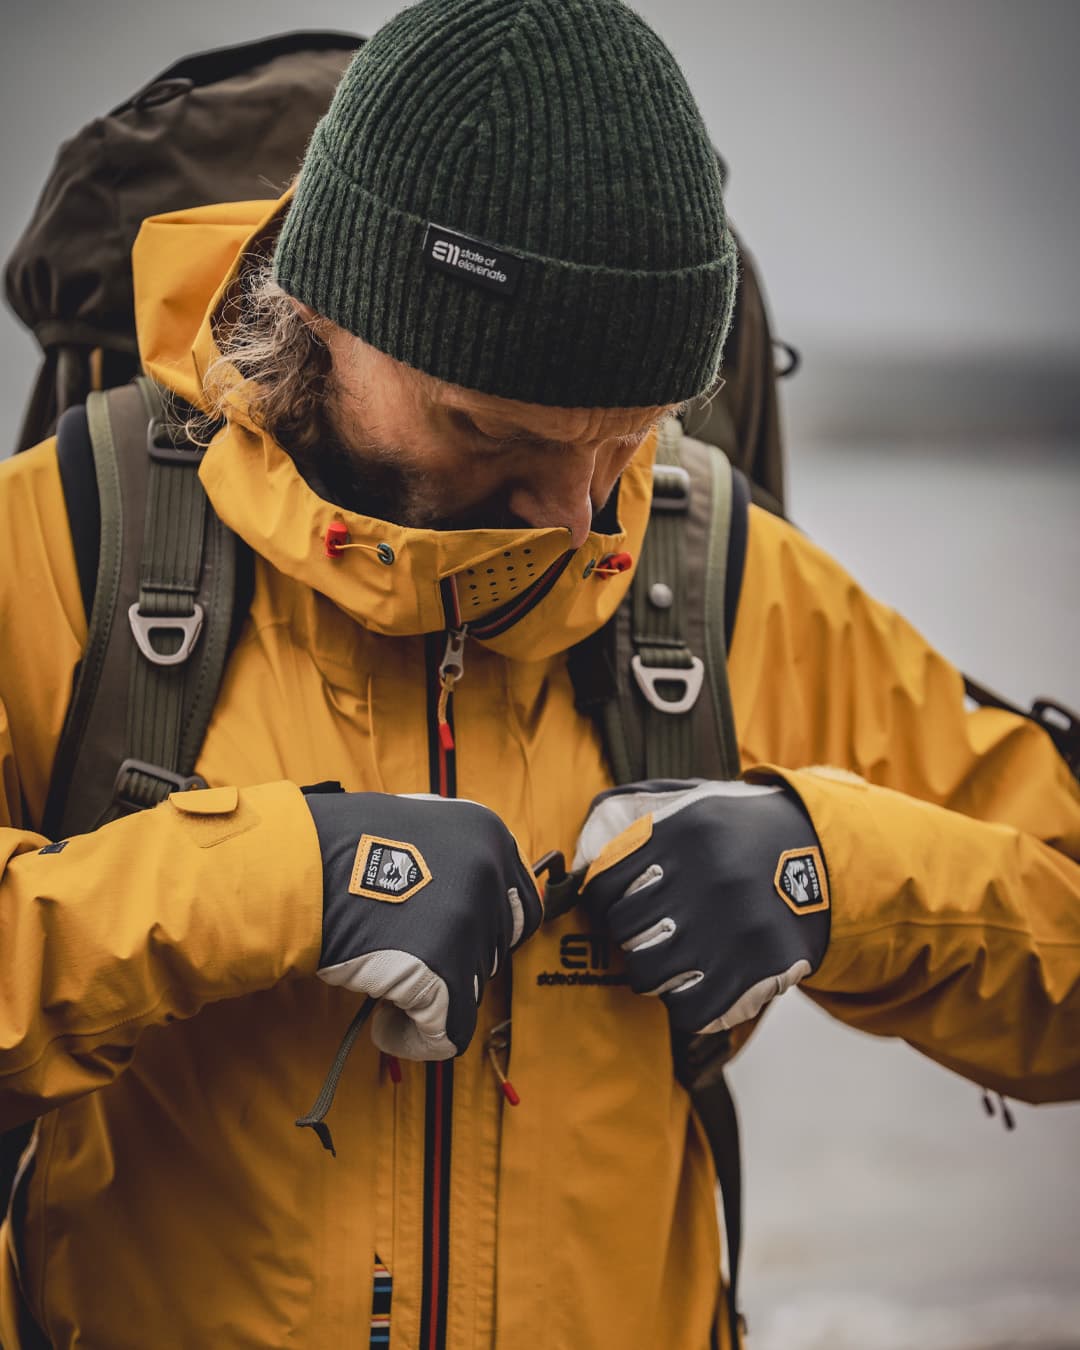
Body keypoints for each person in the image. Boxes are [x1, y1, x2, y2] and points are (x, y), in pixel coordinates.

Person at [1, 1, 1078, 1346]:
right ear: (332, 310)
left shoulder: (707, 568)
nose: (579, 524)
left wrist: (832, 873)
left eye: (625, 444)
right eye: (494, 433)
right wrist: (271, 880)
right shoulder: (63, 547)